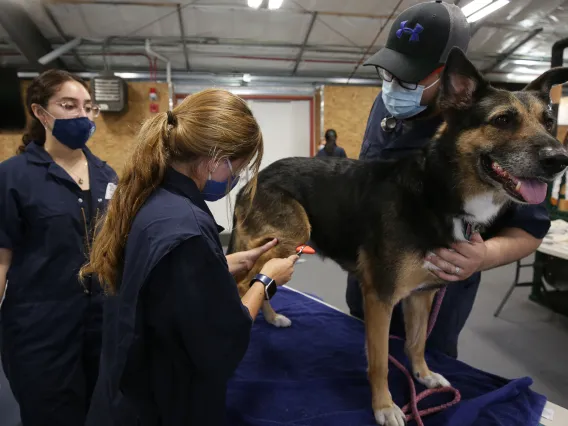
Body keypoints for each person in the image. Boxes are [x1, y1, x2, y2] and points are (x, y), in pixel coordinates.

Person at [80, 88, 300, 426]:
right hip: (163, 404)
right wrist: (266, 279)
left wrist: (218, 266)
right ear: (215, 159)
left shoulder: (151, 197)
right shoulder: (189, 229)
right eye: (236, 167)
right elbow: (220, 346)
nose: (236, 177)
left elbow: (159, 284)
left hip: (121, 390)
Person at [346, 0, 550, 358]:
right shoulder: (386, 106)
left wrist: (483, 255)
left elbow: (529, 230)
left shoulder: (494, 129)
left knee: (422, 369)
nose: (394, 85)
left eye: (409, 77)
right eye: (390, 73)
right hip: (370, 282)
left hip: (431, 293)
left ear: (451, 78)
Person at [0, 70, 117, 425]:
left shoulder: (107, 176)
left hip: (102, 326)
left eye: (88, 107)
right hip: (40, 330)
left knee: (102, 413)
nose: (81, 115)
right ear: (41, 113)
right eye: (68, 105)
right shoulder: (13, 176)